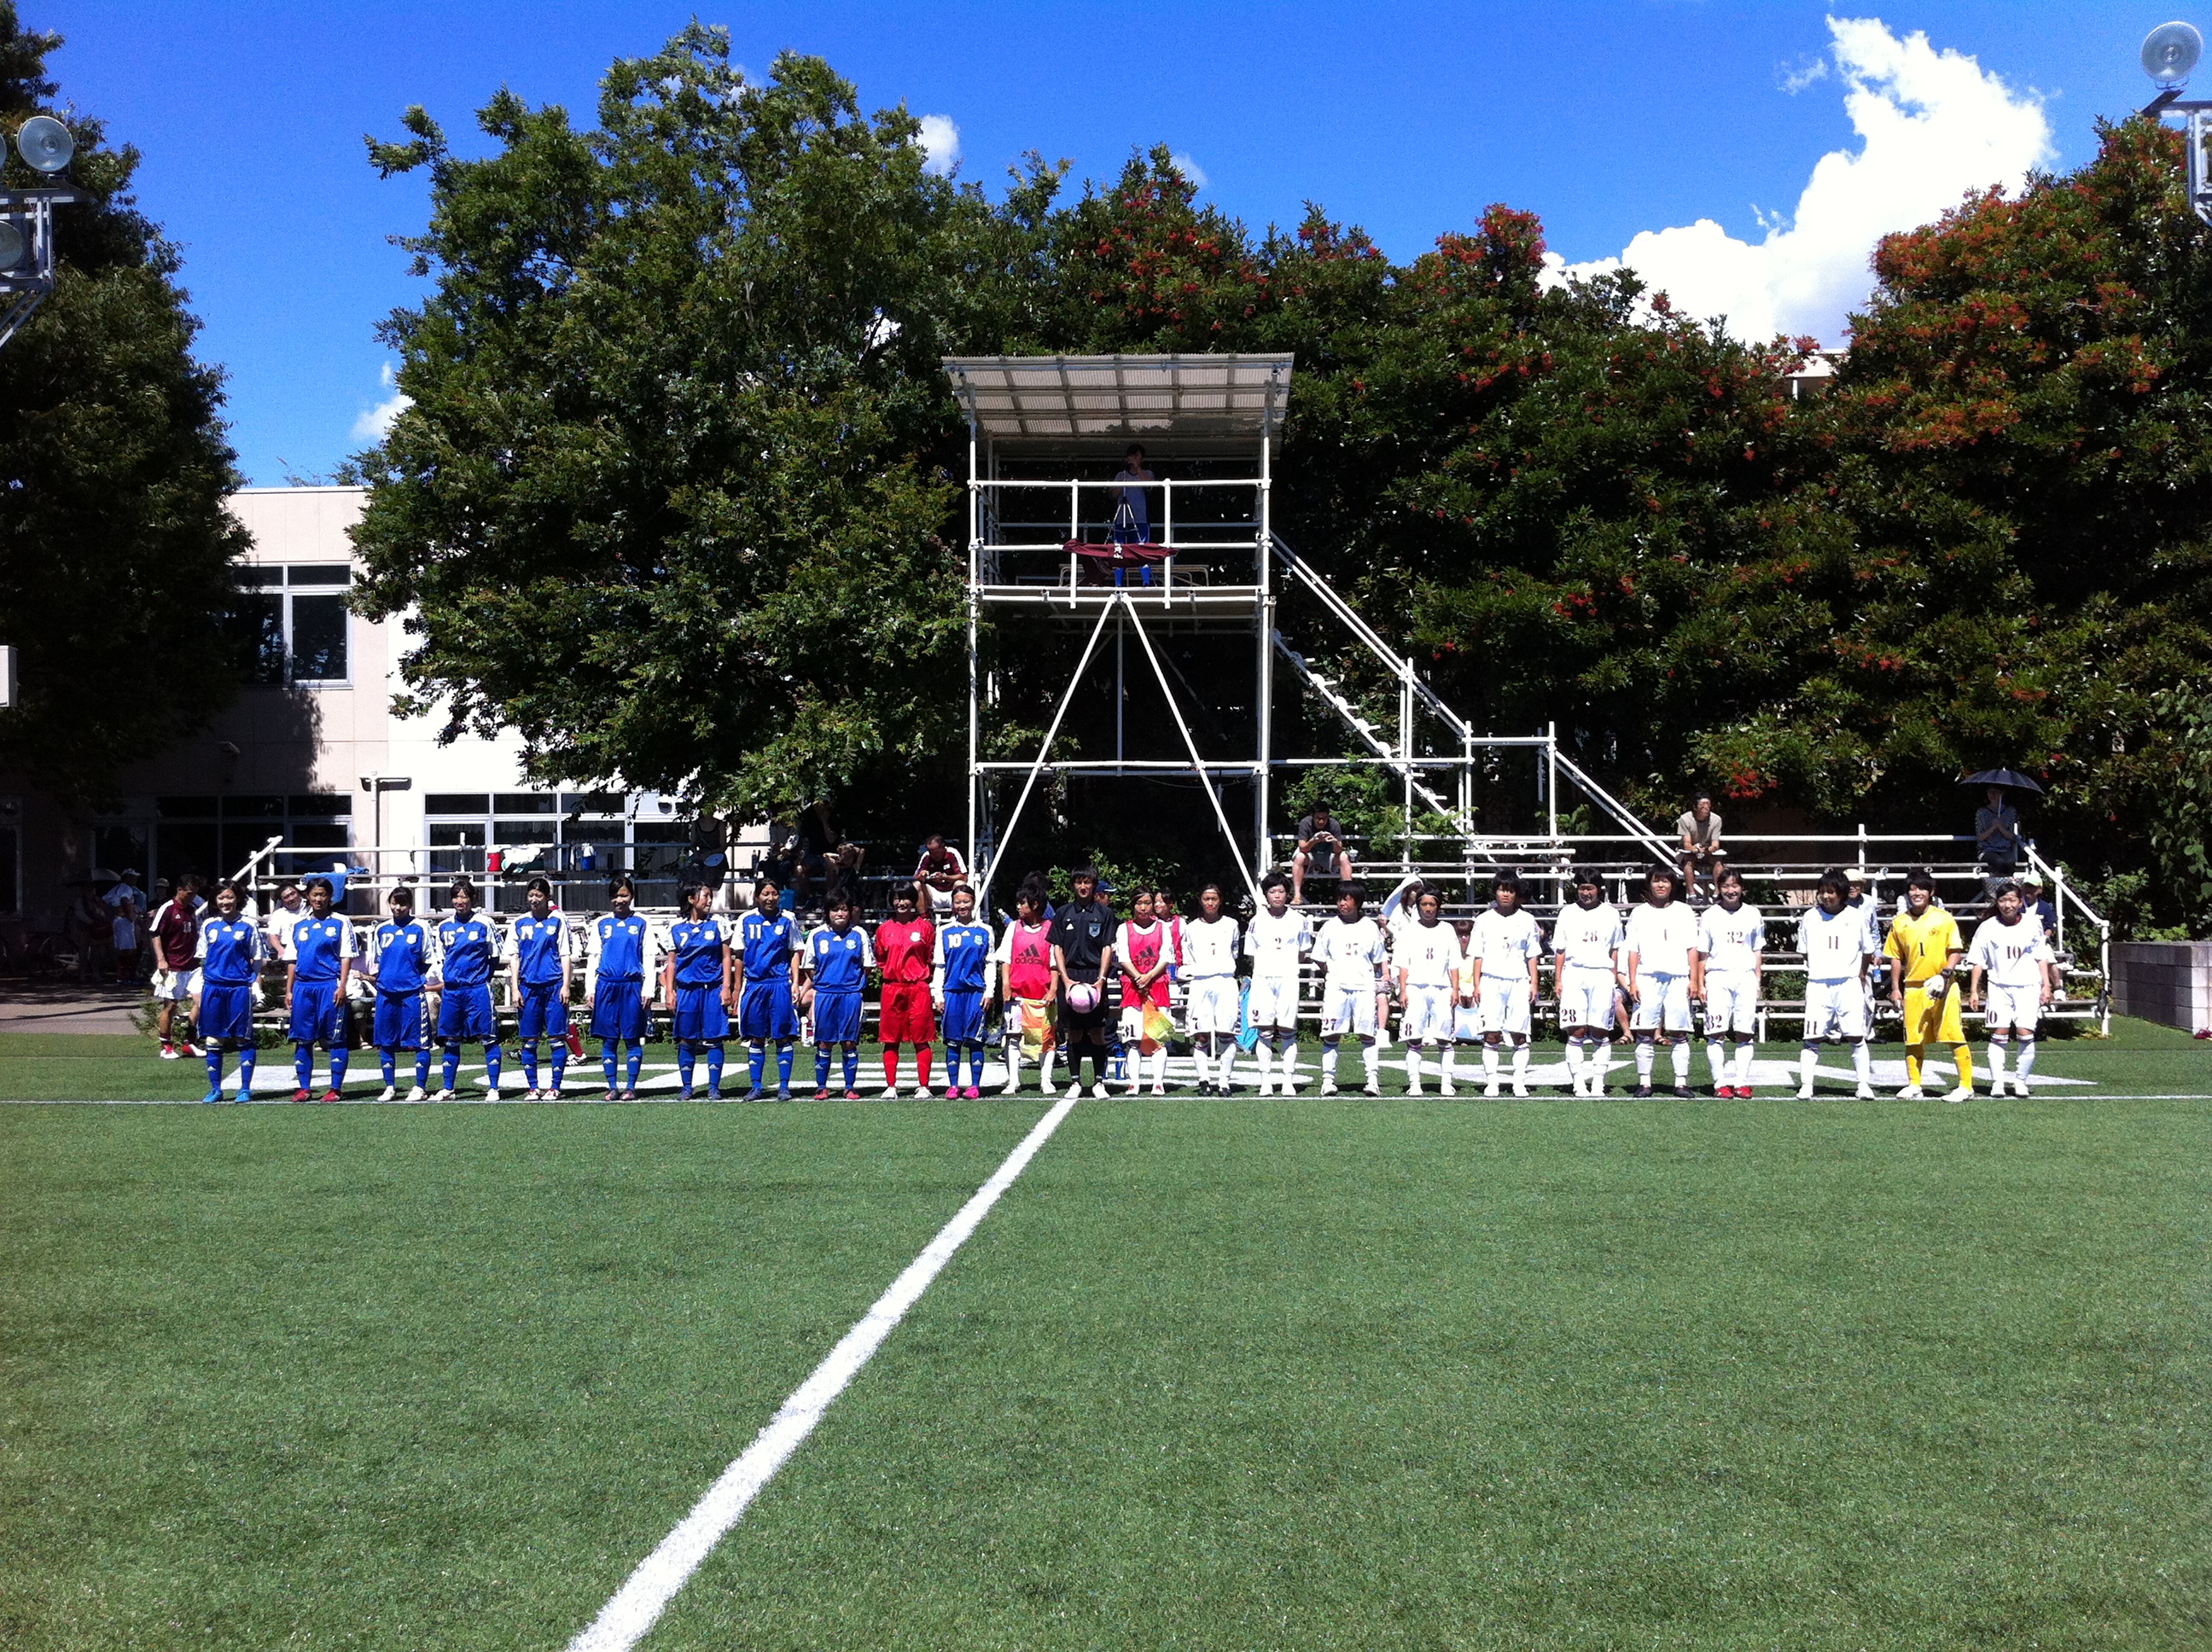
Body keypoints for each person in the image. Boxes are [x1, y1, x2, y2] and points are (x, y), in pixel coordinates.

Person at [1885, 868, 1972, 1102]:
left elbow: (1956, 951)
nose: (1917, 893)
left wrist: (1944, 975)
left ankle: (1966, 1086)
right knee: (1912, 1038)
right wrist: (1896, 989)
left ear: (1931, 892)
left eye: (1922, 888)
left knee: (1953, 1033)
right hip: (1913, 987)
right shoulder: (1900, 923)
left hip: (1944, 985)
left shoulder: (1944, 918)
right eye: (1912, 889)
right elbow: (1895, 957)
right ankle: (1915, 1084)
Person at [1968, 880, 2058, 1098]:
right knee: (1999, 1034)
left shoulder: (2032, 924)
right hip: (1998, 987)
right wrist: (1974, 990)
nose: (2007, 905)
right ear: (1997, 902)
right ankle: (1997, 1083)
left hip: (2028, 987)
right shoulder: (1987, 927)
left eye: (2012, 900)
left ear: (2019, 902)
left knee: (2025, 1034)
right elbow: (1977, 960)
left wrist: (2046, 986)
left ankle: (2020, 1081)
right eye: (2003, 900)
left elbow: (2041, 957)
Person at [1796, 867, 1877, 1099]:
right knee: (1812, 1037)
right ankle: (1807, 1085)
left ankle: (1863, 1084)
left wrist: (1860, 975)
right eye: (1822, 891)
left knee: (1856, 1036)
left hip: (1848, 984)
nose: (1826, 896)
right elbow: (1804, 951)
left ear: (1841, 893)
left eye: (1831, 892)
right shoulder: (1810, 917)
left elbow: (1868, 950)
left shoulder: (1855, 916)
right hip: (1818, 984)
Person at [1465, 875, 1545, 1098]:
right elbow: (1477, 955)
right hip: (1491, 980)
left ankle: (1519, 1081)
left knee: (1520, 1034)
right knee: (1491, 1034)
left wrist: (1534, 983)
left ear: (1516, 893)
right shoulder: (1483, 920)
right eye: (1502, 890)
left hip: (1518, 981)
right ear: (1495, 892)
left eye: (1510, 890)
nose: (1506, 894)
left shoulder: (1527, 919)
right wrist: (1477, 984)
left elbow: (1532, 955)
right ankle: (1492, 1082)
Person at [585, 875, 660, 1101]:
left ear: (632, 896)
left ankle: (631, 1087)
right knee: (609, 1038)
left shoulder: (642, 922)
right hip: (607, 986)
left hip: (632, 986)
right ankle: (612, 1087)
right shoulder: (601, 923)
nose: (620, 900)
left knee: (632, 1037)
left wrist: (648, 989)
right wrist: (590, 989)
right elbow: (594, 958)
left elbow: (649, 957)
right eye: (615, 896)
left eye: (624, 895)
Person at [1692, 868, 1766, 1097]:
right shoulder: (1710, 915)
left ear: (1742, 888)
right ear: (1719, 888)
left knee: (1744, 1032)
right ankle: (1720, 1084)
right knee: (1716, 1032)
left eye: (1735, 886)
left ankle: (1741, 1082)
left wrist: (1757, 980)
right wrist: (1701, 984)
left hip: (1745, 977)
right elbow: (1703, 953)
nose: (1731, 891)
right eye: (1726, 886)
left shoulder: (1753, 913)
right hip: (1718, 977)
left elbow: (1757, 950)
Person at [1551, 869, 1625, 1097]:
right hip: (1574, 974)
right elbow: (1560, 950)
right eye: (1582, 888)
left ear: (1598, 889)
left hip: (1601, 974)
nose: (1586, 893)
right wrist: (1558, 979)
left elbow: (1615, 949)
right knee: (1577, 1029)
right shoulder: (1567, 913)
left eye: (1590, 888)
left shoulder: (1611, 914)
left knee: (1600, 1030)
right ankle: (1578, 1082)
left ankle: (1598, 1082)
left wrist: (1614, 977)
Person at [193, 880, 267, 1103]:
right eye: (221, 898)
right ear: (215, 901)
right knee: (214, 1039)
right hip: (213, 989)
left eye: (230, 897)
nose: (225, 902)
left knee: (243, 1037)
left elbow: (258, 958)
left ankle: (245, 1089)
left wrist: (250, 981)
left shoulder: (248, 925)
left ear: (238, 899)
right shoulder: (209, 925)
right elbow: (202, 957)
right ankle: (216, 1089)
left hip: (238, 989)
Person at [285, 875, 357, 1102]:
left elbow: (346, 956)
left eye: (323, 895)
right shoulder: (298, 925)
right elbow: (292, 960)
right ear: (307, 896)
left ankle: (335, 1089)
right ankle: (304, 1088)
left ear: (330, 897)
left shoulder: (341, 922)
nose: (319, 899)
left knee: (336, 1038)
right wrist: (289, 990)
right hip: (303, 988)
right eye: (315, 895)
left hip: (329, 985)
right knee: (303, 1038)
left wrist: (342, 985)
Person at [1312, 882, 1388, 1096]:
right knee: (1331, 1034)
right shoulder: (1330, 926)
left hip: (1363, 987)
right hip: (1337, 987)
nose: (1342, 903)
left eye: (1347, 899)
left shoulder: (1369, 927)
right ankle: (1328, 1080)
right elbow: (1319, 957)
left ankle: (1372, 1080)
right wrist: (1332, 974)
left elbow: (1378, 958)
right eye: (1340, 899)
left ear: (1358, 902)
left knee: (1367, 1034)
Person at [432, 878, 504, 1102]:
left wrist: (482, 978)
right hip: (453, 991)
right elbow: (441, 958)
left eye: (464, 896)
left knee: (488, 1037)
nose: (459, 901)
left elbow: (494, 956)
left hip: (477, 989)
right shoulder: (443, 927)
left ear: (472, 899)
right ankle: (448, 1088)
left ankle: (493, 1087)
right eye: (456, 897)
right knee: (451, 1039)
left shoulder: (484, 923)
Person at [1048, 867, 1117, 1099]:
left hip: (1094, 976)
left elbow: (1107, 947)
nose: (1083, 887)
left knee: (1098, 1032)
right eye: (1079, 882)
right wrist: (1065, 979)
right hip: (1071, 977)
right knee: (1074, 1033)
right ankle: (1075, 1082)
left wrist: (1101, 979)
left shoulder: (1105, 913)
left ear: (1094, 885)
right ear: (1073, 885)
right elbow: (1057, 947)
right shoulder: (1063, 913)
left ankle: (1098, 1082)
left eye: (1087, 882)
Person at [1243, 873, 1312, 1096]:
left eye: (1281, 891)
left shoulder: (1298, 920)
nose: (1277, 896)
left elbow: (1303, 951)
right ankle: (1266, 1081)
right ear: (1266, 895)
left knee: (1287, 1029)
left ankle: (1288, 1080)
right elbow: (1251, 953)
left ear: (1288, 893)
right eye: (1272, 892)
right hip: (1263, 979)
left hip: (1288, 978)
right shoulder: (1257, 921)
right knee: (1264, 1030)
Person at [365, 885, 435, 1102]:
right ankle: (389, 1087)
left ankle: (420, 1087)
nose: (398, 908)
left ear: (410, 905)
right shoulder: (382, 929)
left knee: (420, 1041)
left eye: (402, 904)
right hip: (386, 993)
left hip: (411, 993)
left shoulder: (420, 927)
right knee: (386, 1041)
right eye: (394, 903)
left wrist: (412, 977)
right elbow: (378, 960)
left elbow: (427, 960)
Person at [666, 880, 735, 1101]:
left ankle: (714, 1087)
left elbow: (726, 957)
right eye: (705, 896)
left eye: (710, 896)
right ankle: (687, 1087)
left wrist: (727, 987)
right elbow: (672, 962)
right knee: (686, 1039)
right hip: (688, 990)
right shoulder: (676, 928)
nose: (709, 901)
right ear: (691, 899)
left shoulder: (719, 924)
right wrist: (670, 991)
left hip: (713, 989)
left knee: (715, 1038)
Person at [735, 875, 802, 1100]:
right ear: (757, 896)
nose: (770, 898)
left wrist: (795, 982)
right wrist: (736, 988)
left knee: (783, 1035)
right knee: (756, 1036)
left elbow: (795, 951)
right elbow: (738, 955)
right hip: (755, 984)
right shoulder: (746, 919)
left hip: (780, 984)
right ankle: (756, 1087)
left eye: (774, 894)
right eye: (766, 894)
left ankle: (784, 1087)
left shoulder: (788, 918)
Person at [802, 893, 873, 1100]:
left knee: (849, 1042)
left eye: (844, 909)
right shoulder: (817, 935)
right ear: (828, 913)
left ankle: (849, 1087)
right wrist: (823, 983)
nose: (840, 914)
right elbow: (809, 966)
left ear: (850, 912)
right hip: (825, 995)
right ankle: (821, 1087)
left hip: (850, 995)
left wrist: (854, 985)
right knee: (824, 1042)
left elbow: (867, 965)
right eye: (835, 910)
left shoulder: (859, 934)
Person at [995, 877, 1059, 1095]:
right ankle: (1013, 1081)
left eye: (1022, 903)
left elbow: (1055, 963)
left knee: (1046, 1038)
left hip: (1042, 995)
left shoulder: (1051, 929)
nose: (1018, 907)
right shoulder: (1013, 928)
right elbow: (1005, 959)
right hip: (1017, 996)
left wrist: (1053, 989)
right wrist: (1006, 985)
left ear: (1035, 905)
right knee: (1013, 1036)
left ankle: (1046, 1080)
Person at [1394, 887, 1460, 1096]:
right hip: (1415, 987)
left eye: (1432, 904)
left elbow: (1454, 962)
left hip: (1442, 988)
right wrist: (1403, 990)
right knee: (1414, 1038)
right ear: (1418, 907)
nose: (1428, 908)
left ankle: (1446, 1083)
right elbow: (1403, 963)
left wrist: (1455, 989)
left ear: (1438, 906)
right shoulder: (1409, 930)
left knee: (1445, 1038)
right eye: (1424, 904)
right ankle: (1414, 1083)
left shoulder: (1447, 929)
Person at [874, 883, 938, 1098]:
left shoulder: (925, 928)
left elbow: (929, 957)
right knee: (891, 1039)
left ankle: (924, 1086)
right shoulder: (884, 929)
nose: (901, 903)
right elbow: (881, 959)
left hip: (918, 988)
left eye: (905, 898)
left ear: (913, 901)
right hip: (893, 988)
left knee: (922, 1038)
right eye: (896, 898)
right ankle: (891, 1086)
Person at [933, 884, 996, 1099]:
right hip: (952, 992)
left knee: (975, 1040)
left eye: (966, 901)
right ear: (953, 905)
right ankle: (953, 1085)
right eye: (958, 902)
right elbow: (940, 965)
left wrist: (989, 991)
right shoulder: (944, 931)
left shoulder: (985, 930)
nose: (962, 906)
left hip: (976, 992)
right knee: (953, 1040)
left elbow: (990, 963)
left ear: (973, 903)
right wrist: (938, 995)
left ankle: (975, 1085)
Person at [1181, 882, 1243, 1096]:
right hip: (1201, 982)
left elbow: (1234, 951)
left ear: (1220, 901)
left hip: (1225, 981)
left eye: (1214, 899)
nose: (1210, 903)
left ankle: (1224, 1081)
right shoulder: (1191, 928)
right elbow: (1187, 956)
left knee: (1227, 1033)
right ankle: (1204, 1080)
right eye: (1206, 899)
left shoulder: (1231, 924)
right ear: (1201, 900)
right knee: (1201, 1034)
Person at [1114, 887, 1176, 1095]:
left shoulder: (1162, 928)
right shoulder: (1124, 929)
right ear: (1133, 906)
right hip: (1133, 990)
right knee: (1133, 1039)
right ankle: (1134, 1083)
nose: (1143, 907)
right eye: (1139, 903)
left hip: (1157, 989)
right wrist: (1138, 977)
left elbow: (1166, 957)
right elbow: (1123, 958)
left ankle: (1158, 1083)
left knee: (1157, 1037)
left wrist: (1148, 976)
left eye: (1147, 903)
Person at [147, 874, 203, 1059]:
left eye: (194, 893)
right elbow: (155, 933)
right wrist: (161, 960)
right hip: (174, 966)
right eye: (189, 893)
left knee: (201, 1001)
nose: (192, 897)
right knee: (171, 1006)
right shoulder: (168, 909)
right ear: (179, 890)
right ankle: (166, 1046)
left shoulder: (192, 910)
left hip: (193, 965)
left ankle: (190, 1042)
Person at [1289, 806, 1353, 905]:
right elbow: (1303, 848)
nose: (1321, 821)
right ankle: (1297, 896)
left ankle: (1348, 895)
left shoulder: (1334, 824)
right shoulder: (1305, 823)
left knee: (1344, 857)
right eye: (1318, 818)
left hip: (1328, 855)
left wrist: (1334, 842)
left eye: (1324, 818)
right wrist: (1313, 841)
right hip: (1310, 854)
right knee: (1299, 857)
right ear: (1312, 816)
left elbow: (1338, 850)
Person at [1974, 784, 2024, 890]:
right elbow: (1980, 837)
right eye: (1990, 792)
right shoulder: (1982, 812)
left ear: (2002, 793)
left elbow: (2011, 836)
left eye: (1995, 792)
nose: (1992, 795)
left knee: (2010, 861)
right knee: (1997, 862)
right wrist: (1993, 827)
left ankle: (2009, 890)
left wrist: (2000, 827)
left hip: (2004, 849)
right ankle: (1993, 890)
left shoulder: (2010, 811)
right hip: (1987, 850)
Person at [1677, 792, 1726, 894]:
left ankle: (1717, 893)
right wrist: (1695, 849)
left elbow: (1715, 844)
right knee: (1688, 861)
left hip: (1707, 851)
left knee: (1719, 863)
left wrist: (1709, 849)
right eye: (1702, 805)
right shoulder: (1685, 819)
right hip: (1691, 852)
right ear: (1695, 807)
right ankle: (1692, 894)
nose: (1706, 807)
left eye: (1708, 804)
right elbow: (1687, 844)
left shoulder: (1716, 820)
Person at [914, 835, 968, 919]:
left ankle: (958, 916)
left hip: (951, 893)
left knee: (960, 884)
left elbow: (964, 877)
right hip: (933, 894)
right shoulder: (927, 856)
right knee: (917, 884)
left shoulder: (952, 853)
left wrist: (945, 877)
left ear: (943, 847)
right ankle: (925, 918)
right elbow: (916, 876)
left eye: (936, 851)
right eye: (931, 851)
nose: (933, 855)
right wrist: (922, 876)